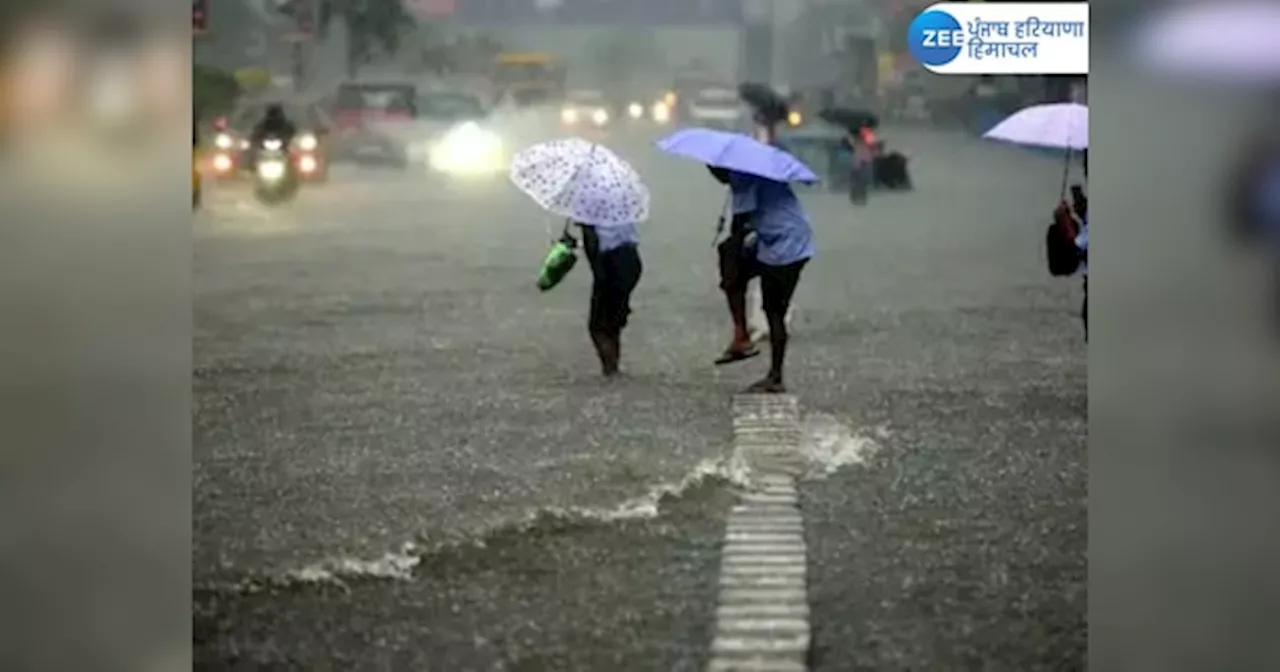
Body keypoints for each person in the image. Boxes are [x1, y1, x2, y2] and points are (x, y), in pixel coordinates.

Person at [710, 166, 814, 393]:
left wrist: (731, 272)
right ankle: (741, 335)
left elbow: (739, 226)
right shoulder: (748, 174)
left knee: (774, 309)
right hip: (782, 239)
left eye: (714, 170)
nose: (714, 176)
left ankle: (775, 375)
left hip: (786, 247)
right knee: (729, 257)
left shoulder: (743, 177)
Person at [576, 220, 643, 377]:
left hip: (610, 263)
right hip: (632, 260)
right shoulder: (621, 206)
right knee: (614, 320)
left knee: (597, 326)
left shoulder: (589, 214)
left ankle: (610, 368)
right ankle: (613, 365)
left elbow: (592, 247)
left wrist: (600, 277)